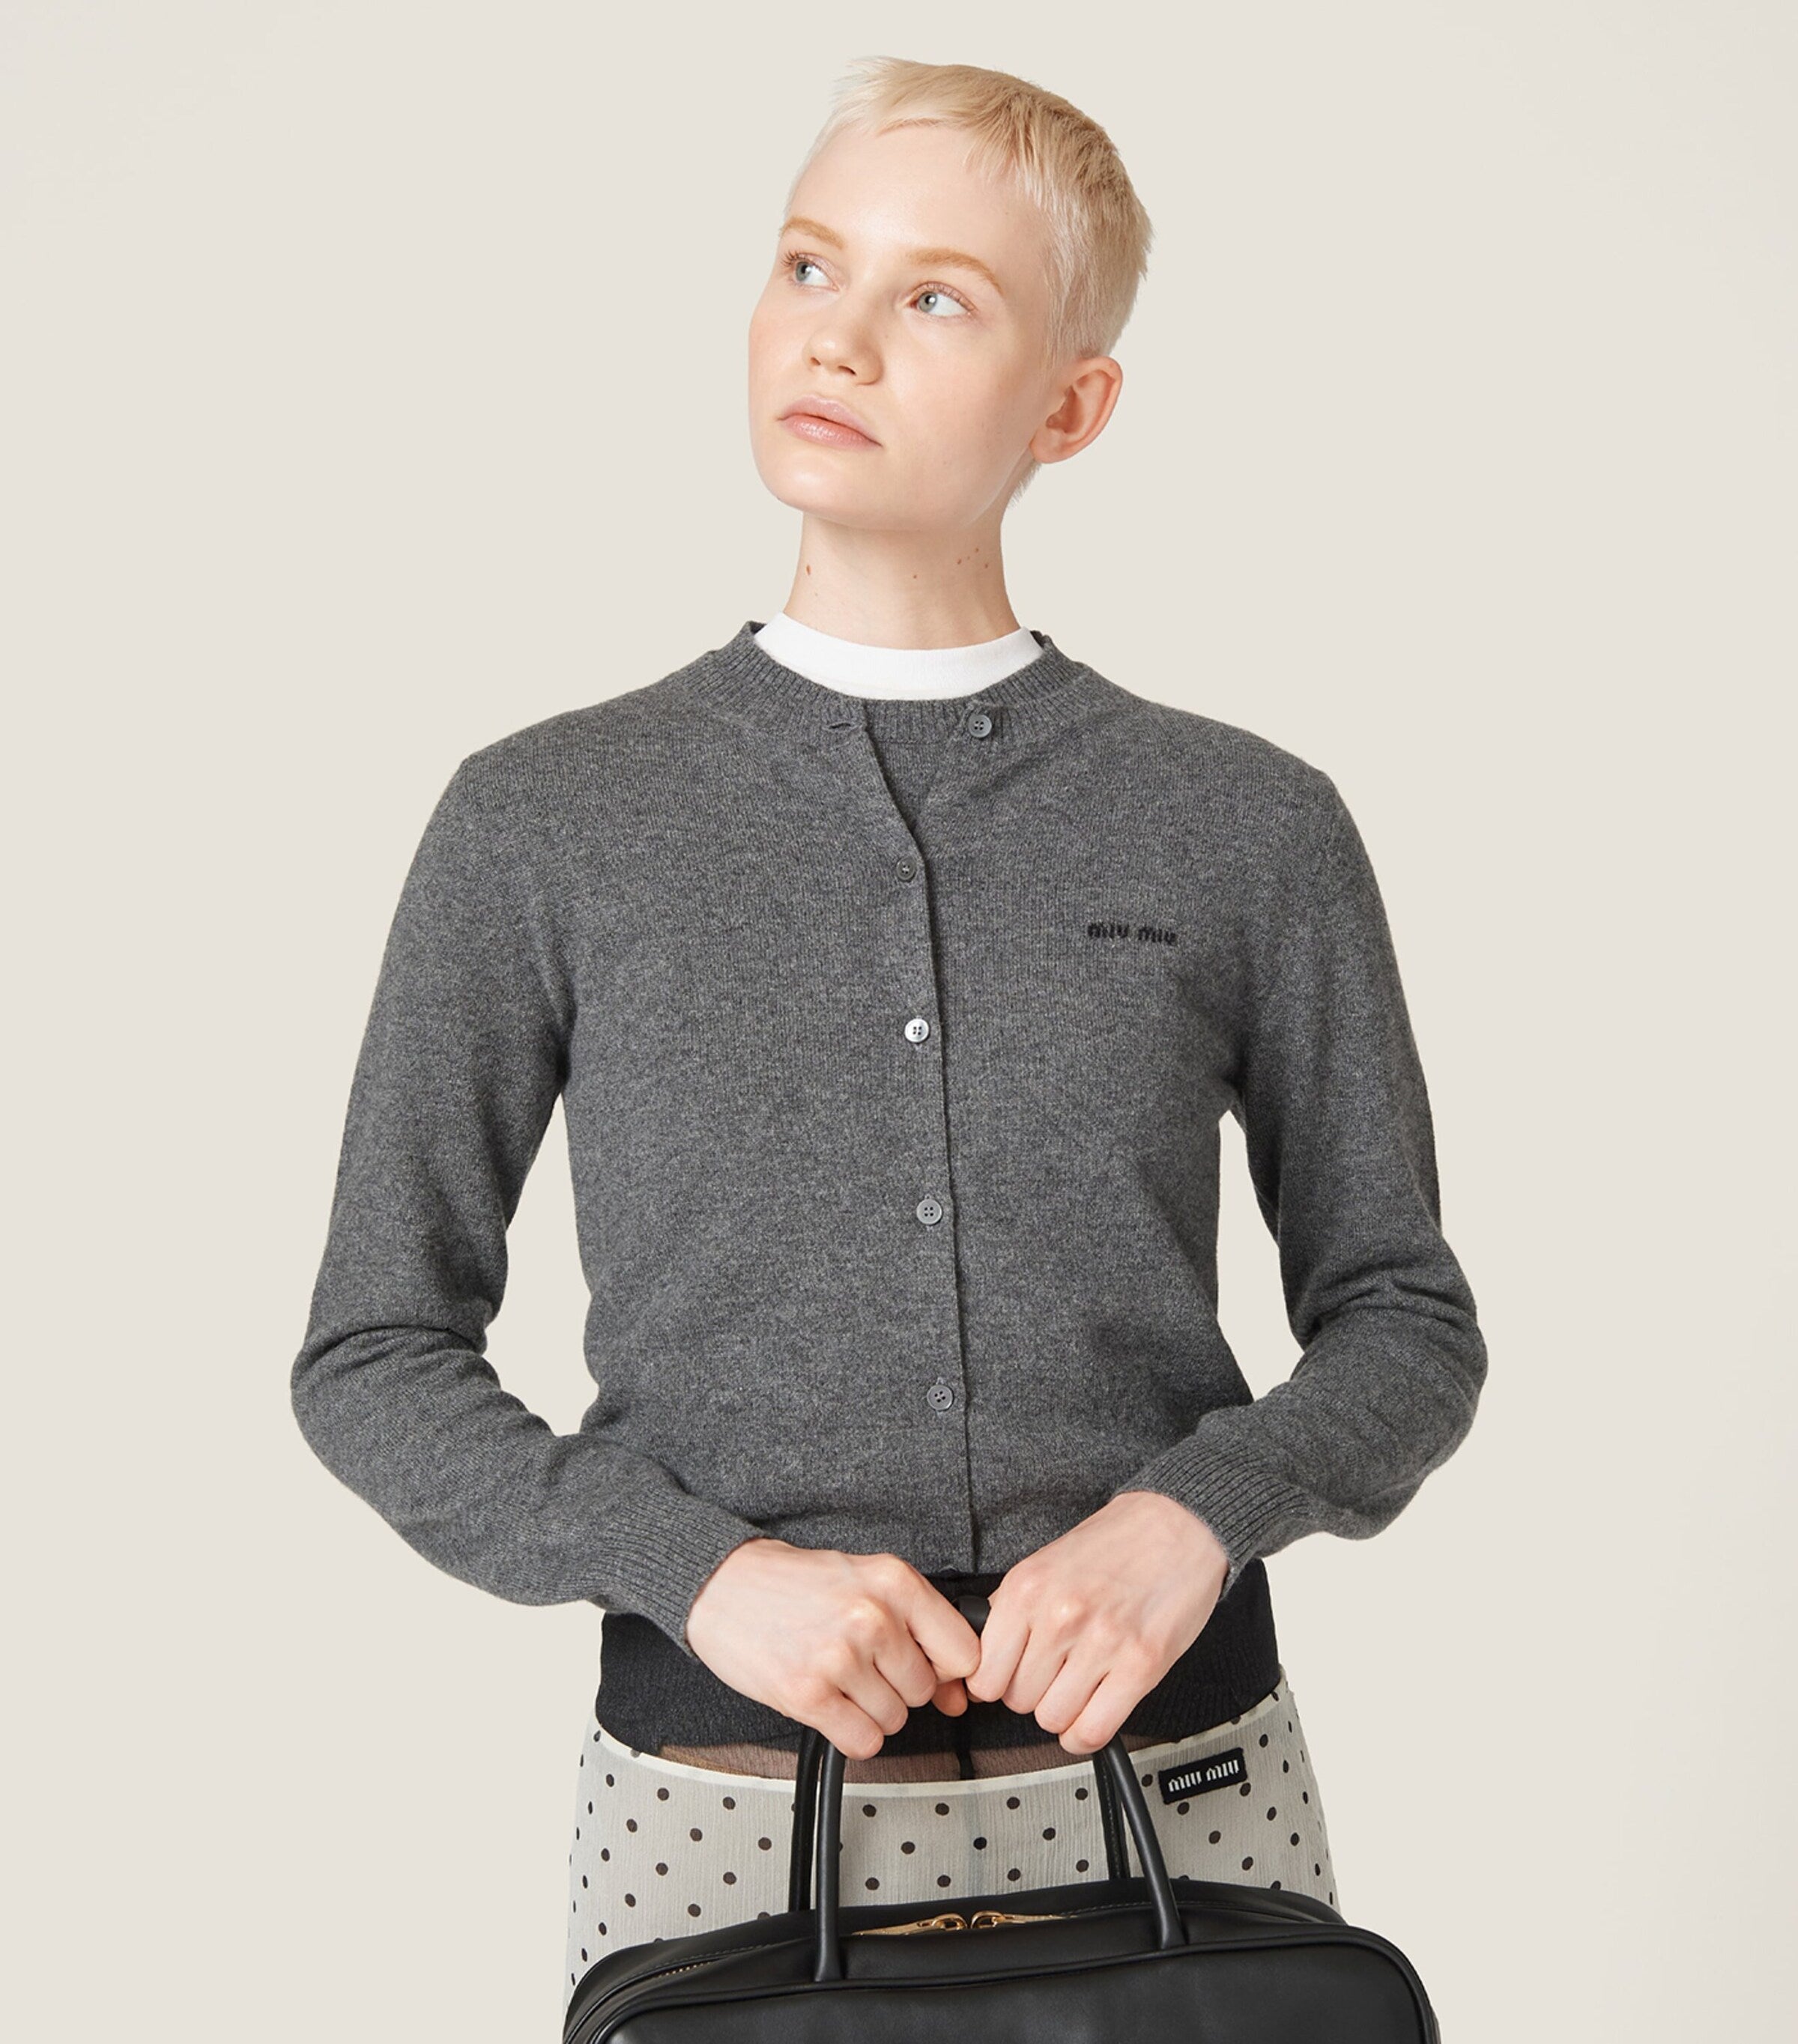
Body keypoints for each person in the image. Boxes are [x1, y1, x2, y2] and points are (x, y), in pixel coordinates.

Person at [288, 56, 1487, 2021]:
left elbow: (1404, 1319)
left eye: (936, 296)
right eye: (807, 264)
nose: (836, 333)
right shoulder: (545, 819)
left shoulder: (1243, 824)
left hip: (1190, 1796)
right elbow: (373, 1351)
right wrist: (693, 1569)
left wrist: (1198, 1517)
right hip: (723, 1811)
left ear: (1070, 407)